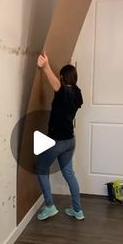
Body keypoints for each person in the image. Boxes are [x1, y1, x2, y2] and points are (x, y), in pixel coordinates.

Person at [36, 52, 84, 221]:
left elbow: (57, 86)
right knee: (69, 174)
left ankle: (50, 206)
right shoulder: (78, 93)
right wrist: (69, 66)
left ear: (63, 78)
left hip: (57, 141)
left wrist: (46, 66)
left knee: (41, 170)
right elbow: (66, 85)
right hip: (70, 140)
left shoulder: (63, 91)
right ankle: (77, 210)